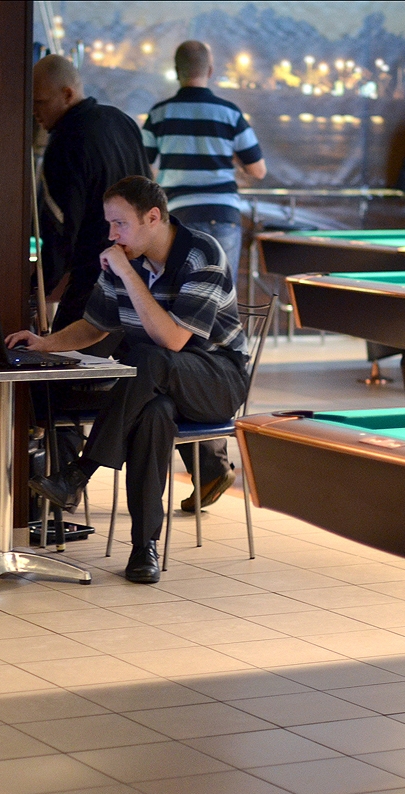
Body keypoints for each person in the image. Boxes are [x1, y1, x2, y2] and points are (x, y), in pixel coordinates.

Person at [10, 176, 248, 584]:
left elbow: (173, 340)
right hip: (158, 384)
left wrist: (126, 272)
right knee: (154, 413)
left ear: (152, 218)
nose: (111, 235)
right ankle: (143, 549)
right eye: (109, 224)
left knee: (148, 358)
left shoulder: (201, 254)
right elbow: (94, 326)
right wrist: (45, 343)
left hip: (217, 379)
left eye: (119, 224)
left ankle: (80, 471)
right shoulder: (127, 259)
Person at [140, 41, 265, 515]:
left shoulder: (159, 113)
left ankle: (208, 459)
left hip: (179, 218)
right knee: (207, 321)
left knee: (179, 320)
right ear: (210, 69)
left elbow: (146, 170)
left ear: (176, 70)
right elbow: (258, 167)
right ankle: (210, 458)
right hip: (224, 216)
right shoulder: (230, 112)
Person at [33, 54, 152, 333]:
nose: (35, 112)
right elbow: (150, 191)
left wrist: (39, 287)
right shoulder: (123, 121)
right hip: (141, 272)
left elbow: (60, 225)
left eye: (41, 102)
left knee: (64, 354)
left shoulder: (65, 140)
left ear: (67, 94)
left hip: (95, 275)